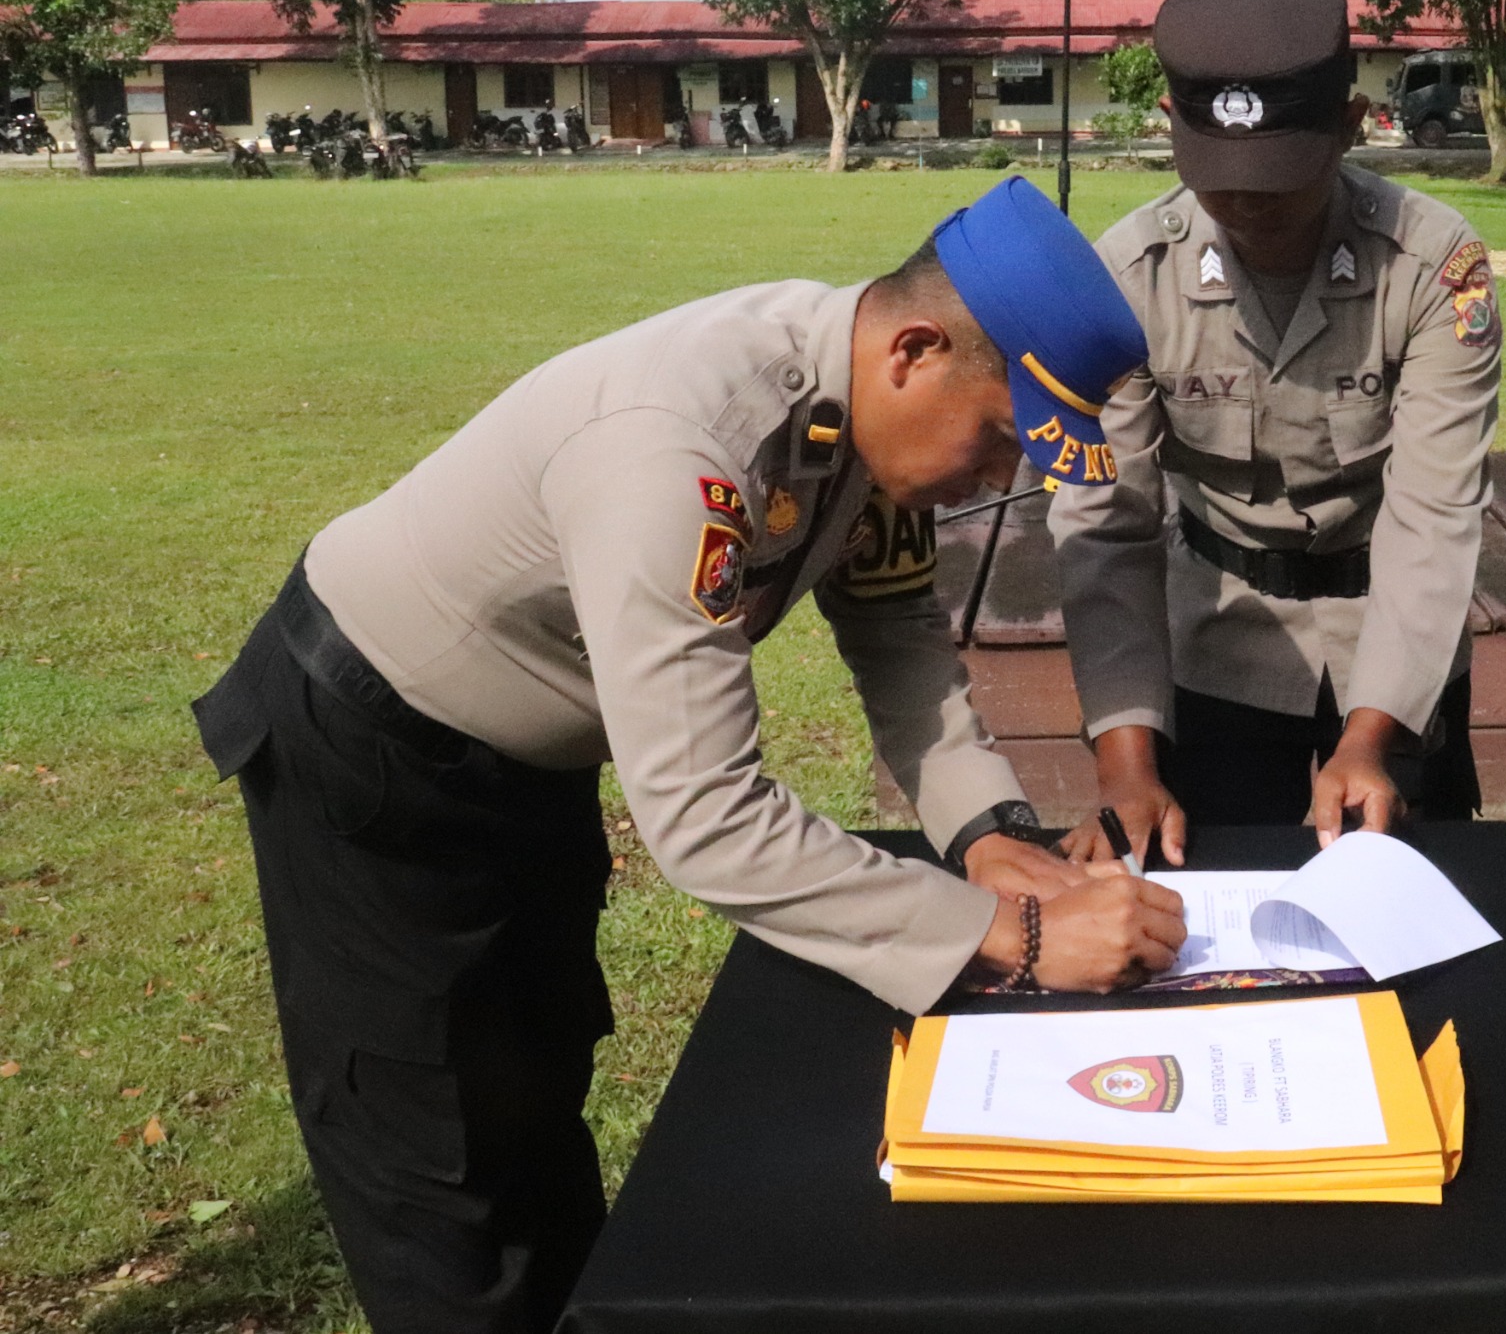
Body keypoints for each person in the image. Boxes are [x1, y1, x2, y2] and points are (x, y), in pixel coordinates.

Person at [190, 177, 1189, 1334]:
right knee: (438, 1170)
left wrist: (990, 837)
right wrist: (1011, 936)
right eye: (999, 439)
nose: (994, 481)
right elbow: (708, 820)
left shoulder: (862, 407)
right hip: (368, 752)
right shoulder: (680, 452)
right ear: (915, 349)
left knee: (535, 1094)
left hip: (528, 757)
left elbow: (898, 636)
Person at [1048, 0, 1502, 867]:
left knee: (1416, 907)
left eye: (1278, 178)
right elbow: (1108, 528)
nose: (1248, 207)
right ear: (1172, 125)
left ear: (1349, 125)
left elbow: (1432, 513)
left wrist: (1371, 742)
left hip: (1395, 640)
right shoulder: (1128, 276)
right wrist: (1127, 767)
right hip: (1217, 645)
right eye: (1220, 179)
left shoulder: (1431, 261)